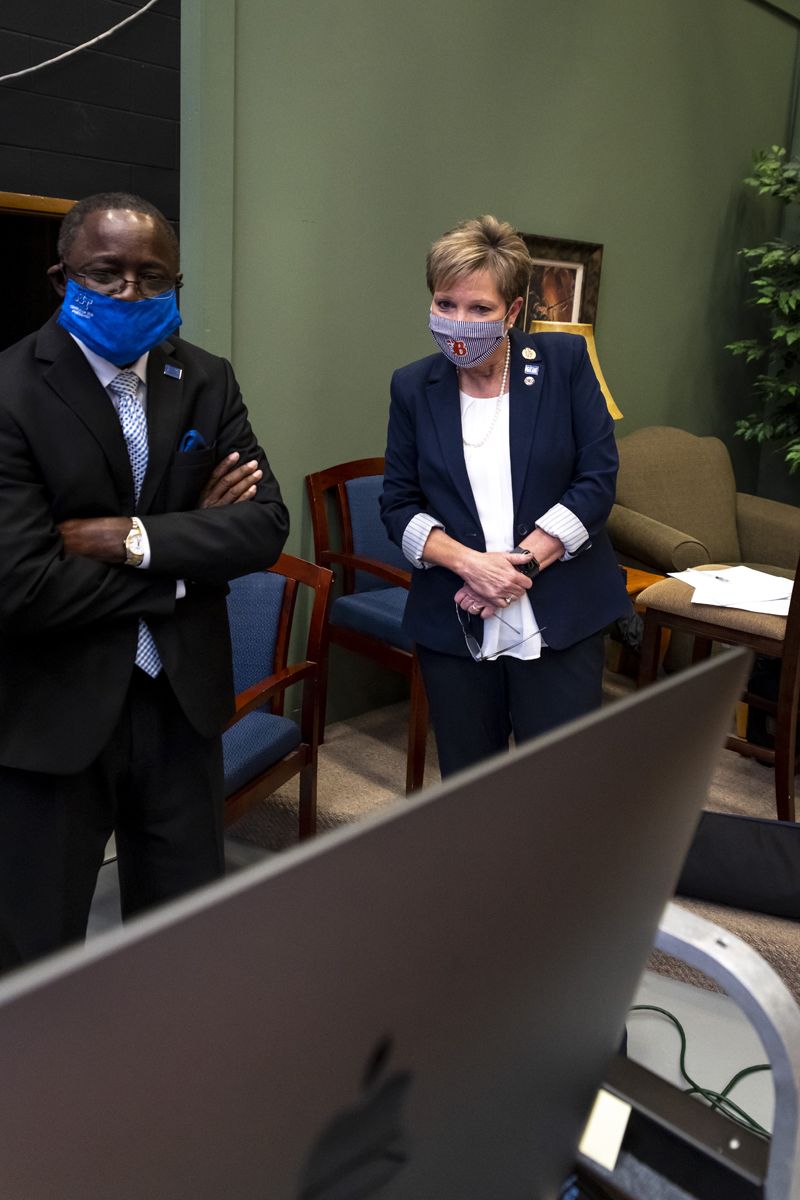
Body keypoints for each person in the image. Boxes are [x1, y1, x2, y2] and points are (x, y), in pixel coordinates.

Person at [0, 192, 289, 970]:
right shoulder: (10, 390)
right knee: (37, 956)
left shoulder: (205, 379)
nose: (131, 293)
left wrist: (123, 538)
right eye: (108, 274)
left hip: (179, 706)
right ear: (63, 276)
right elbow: (20, 586)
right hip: (52, 717)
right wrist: (184, 565)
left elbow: (264, 527)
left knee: (182, 943)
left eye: (153, 278)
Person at [380, 216, 629, 778]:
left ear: (514, 312)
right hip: (456, 617)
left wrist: (518, 567)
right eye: (445, 303)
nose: (458, 323)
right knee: (473, 787)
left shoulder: (565, 365)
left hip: (561, 613)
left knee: (558, 785)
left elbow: (597, 479)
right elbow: (398, 503)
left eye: (479, 309)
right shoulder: (412, 387)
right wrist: (470, 564)